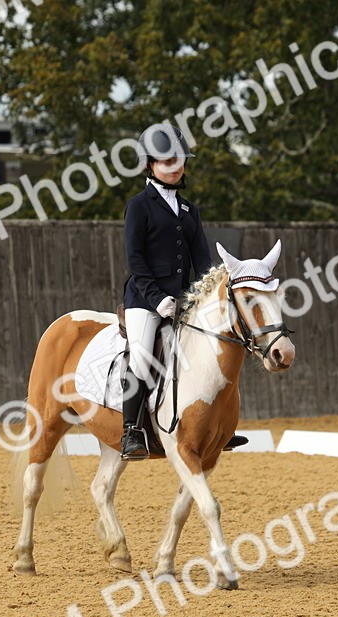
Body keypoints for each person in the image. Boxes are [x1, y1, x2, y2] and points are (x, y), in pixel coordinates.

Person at [120, 123, 212, 460]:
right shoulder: (139, 206)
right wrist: (157, 299)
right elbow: (135, 260)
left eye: (179, 160)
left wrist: (205, 294)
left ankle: (216, 425)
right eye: (166, 161)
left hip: (184, 300)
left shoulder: (189, 210)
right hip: (145, 300)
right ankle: (131, 430)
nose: (175, 167)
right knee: (142, 356)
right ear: (150, 164)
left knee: (209, 351)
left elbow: (202, 260)